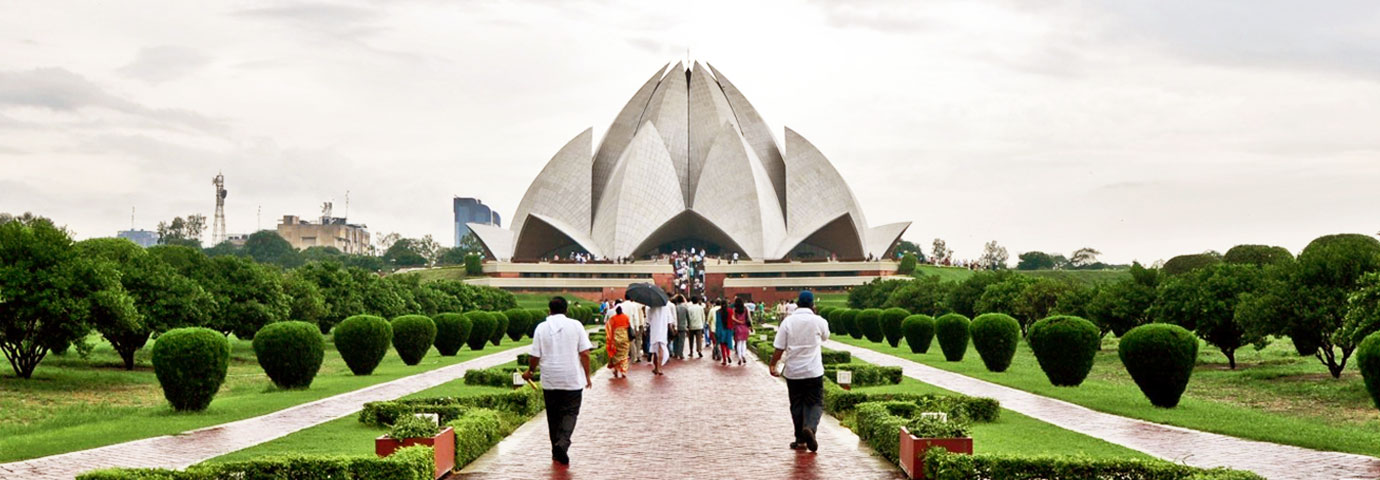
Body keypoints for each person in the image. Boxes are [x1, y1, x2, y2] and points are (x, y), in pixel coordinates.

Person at [524, 297, 593, 465]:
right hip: (572, 379)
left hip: (550, 379)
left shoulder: (541, 327)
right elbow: (585, 353)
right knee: (570, 413)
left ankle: (556, 451)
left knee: (553, 416)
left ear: (549, 310)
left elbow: (535, 355)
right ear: (566, 310)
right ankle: (563, 442)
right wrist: (587, 376)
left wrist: (530, 371)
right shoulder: (576, 325)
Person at [769, 290, 829, 453]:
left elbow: (779, 347)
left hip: (794, 371)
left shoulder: (788, 322)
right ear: (812, 305)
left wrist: (772, 364)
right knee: (815, 403)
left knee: (796, 404)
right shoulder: (818, 321)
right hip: (813, 370)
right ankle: (809, 427)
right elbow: (825, 337)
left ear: (797, 304)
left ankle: (800, 439)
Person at [646, 299, 674, 375]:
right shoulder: (666, 307)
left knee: (655, 349)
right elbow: (670, 321)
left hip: (654, 330)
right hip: (663, 330)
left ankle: (656, 368)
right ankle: (659, 368)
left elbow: (648, 321)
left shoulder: (650, 308)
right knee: (661, 348)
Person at [605, 305, 631, 378]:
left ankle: (616, 370)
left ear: (616, 312)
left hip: (616, 339)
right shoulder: (626, 317)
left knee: (615, 355)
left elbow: (609, 328)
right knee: (624, 355)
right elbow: (629, 327)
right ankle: (623, 371)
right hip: (625, 338)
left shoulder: (613, 318)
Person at [730, 298, 752, 366]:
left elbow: (732, 318)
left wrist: (738, 321)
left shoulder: (735, 309)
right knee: (744, 343)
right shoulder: (745, 309)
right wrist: (751, 327)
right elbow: (749, 318)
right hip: (745, 327)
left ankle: (739, 357)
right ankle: (743, 355)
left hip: (738, 327)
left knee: (739, 343)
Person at [623, 298, 645, 363]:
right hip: (638, 324)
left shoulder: (624, 305)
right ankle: (638, 355)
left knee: (631, 340)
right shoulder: (640, 305)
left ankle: (633, 355)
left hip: (630, 325)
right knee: (638, 340)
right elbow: (637, 317)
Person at [673, 295, 689, 360]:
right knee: (681, 341)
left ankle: (675, 353)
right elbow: (688, 317)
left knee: (675, 340)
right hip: (683, 326)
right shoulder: (685, 308)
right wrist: (688, 325)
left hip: (676, 326)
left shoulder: (675, 307)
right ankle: (681, 354)